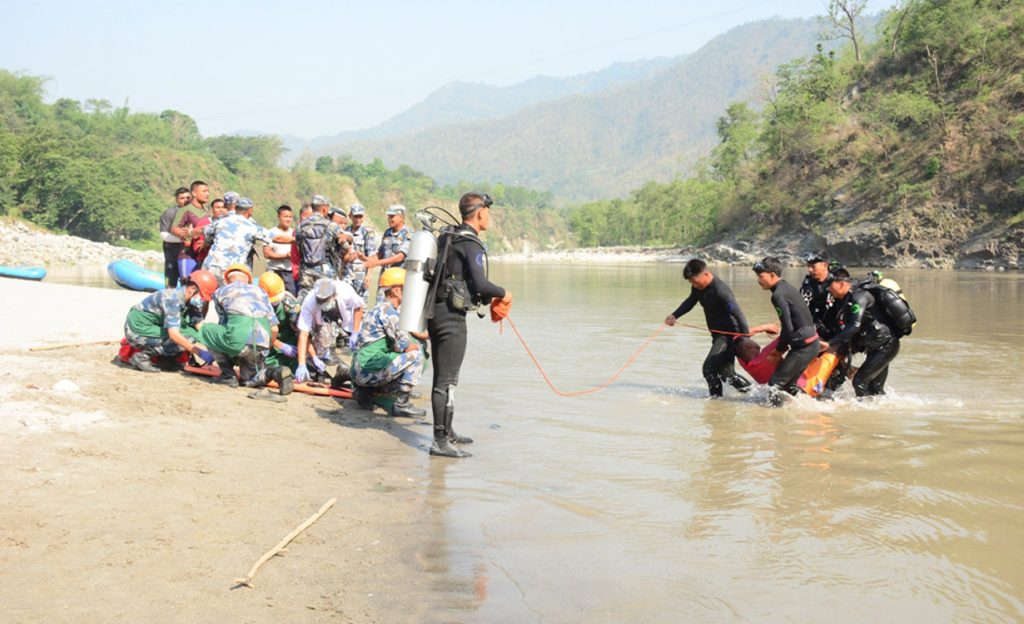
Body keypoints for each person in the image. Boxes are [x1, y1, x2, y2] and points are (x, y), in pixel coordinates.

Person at [426, 192, 511, 458]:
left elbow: (465, 281)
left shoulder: (448, 236)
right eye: (488, 211)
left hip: (436, 312)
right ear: (480, 213)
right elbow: (481, 284)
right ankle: (439, 442)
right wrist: (504, 292)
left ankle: (447, 431)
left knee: (443, 377)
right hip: (451, 317)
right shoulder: (470, 242)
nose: (489, 216)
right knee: (447, 381)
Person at [664, 258, 752, 397]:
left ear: (706, 274)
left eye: (695, 281)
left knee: (708, 369)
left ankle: (716, 401)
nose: (693, 284)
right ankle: (754, 395)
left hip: (728, 335)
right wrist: (674, 315)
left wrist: (746, 340)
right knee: (727, 375)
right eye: (691, 282)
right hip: (717, 336)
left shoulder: (721, 291)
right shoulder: (698, 287)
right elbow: (690, 302)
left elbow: (739, 315)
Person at [199, 264, 292, 394]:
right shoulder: (261, 292)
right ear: (248, 280)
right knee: (249, 380)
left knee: (206, 330)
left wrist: (231, 355)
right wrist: (263, 351)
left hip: (238, 338)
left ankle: (228, 375)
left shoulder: (221, 291)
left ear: (227, 280)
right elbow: (274, 329)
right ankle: (275, 372)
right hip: (262, 340)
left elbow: (224, 325)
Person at [350, 268, 427, 418]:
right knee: (417, 355)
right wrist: (421, 344)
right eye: (407, 289)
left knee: (397, 354)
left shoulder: (379, 308)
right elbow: (406, 347)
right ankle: (401, 404)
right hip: (366, 370)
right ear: (397, 291)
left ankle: (365, 391)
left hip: (360, 367)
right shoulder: (389, 313)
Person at [751, 256, 821, 406]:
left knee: (774, 384)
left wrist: (778, 351)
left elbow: (788, 328)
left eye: (761, 276)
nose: (758, 280)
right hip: (810, 344)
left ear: (772, 275)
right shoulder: (785, 287)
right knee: (789, 386)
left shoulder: (778, 295)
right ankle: (813, 410)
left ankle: (775, 420)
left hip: (805, 347)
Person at [821, 268, 901, 397]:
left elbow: (854, 326)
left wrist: (830, 343)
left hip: (886, 345)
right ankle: (882, 412)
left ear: (841, 284)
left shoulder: (859, 296)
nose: (828, 290)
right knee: (876, 388)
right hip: (876, 345)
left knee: (859, 382)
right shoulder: (847, 298)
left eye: (829, 286)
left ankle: (864, 414)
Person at [123, 269, 218, 372]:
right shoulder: (173, 299)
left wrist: (215, 350)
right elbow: (174, 335)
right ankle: (142, 357)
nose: (203, 301)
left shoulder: (191, 301)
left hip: (154, 326)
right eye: (203, 297)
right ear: (192, 289)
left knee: (192, 333)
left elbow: (200, 327)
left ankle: (166, 360)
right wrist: (199, 352)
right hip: (137, 329)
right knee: (186, 338)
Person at [294, 278, 365, 383]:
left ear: (334, 295)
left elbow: (358, 307)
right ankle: (320, 364)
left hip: (347, 317)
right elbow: (303, 334)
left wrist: (355, 332)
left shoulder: (345, 290)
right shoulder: (309, 301)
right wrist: (301, 364)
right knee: (323, 339)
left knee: (363, 341)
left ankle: (359, 373)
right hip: (323, 320)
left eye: (325, 300)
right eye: (320, 301)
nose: (322, 303)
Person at [201, 197, 273, 283]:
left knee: (206, 295)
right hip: (231, 273)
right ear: (250, 210)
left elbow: (207, 236)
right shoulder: (253, 227)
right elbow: (272, 237)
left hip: (210, 268)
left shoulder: (220, 222)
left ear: (236, 208)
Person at [294, 195, 353, 297]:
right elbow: (346, 246)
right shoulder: (331, 226)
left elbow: (299, 247)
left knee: (306, 302)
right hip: (325, 271)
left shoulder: (300, 226)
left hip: (306, 272)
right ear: (325, 209)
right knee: (327, 303)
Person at [364, 204, 412, 302]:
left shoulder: (408, 234)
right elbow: (380, 253)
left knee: (395, 311)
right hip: (385, 279)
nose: (389, 219)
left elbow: (400, 257)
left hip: (398, 281)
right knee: (381, 306)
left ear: (401, 217)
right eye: (388, 216)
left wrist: (377, 263)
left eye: (392, 216)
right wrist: (368, 263)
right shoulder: (387, 233)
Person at [258, 271, 302, 372]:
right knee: (261, 363)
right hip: (267, 340)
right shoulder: (256, 304)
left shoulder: (289, 302)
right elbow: (256, 332)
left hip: (289, 338)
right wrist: (280, 345)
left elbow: (302, 331)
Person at [170, 180, 211, 278]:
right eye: (204, 191)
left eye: (208, 191)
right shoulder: (185, 210)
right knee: (187, 285)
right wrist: (189, 234)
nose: (207, 194)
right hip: (188, 255)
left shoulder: (206, 211)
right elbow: (174, 229)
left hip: (203, 255)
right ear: (194, 193)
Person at [800, 252, 837, 338]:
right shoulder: (808, 287)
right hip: (816, 329)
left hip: (837, 328)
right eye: (808, 266)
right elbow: (801, 311)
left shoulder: (837, 282)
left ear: (825, 265)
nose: (810, 269)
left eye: (813, 266)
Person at [159, 187, 191, 286]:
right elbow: (163, 235)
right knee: (170, 282)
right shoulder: (169, 213)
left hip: (188, 254)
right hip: (171, 253)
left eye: (188, 197)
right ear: (176, 200)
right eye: (182, 198)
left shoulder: (197, 213)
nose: (185, 200)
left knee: (186, 283)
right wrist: (183, 239)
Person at [344, 203, 377, 299]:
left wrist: (369, 275)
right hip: (347, 274)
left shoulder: (367, 233)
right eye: (355, 216)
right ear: (350, 216)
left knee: (361, 305)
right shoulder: (346, 232)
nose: (358, 219)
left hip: (361, 275)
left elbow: (371, 257)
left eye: (360, 216)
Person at [264, 205, 297, 295]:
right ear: (278, 217)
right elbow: (267, 253)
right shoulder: (271, 233)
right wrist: (285, 256)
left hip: (290, 272)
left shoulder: (294, 233)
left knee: (292, 298)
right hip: (274, 271)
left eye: (290, 217)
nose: (288, 219)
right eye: (285, 216)